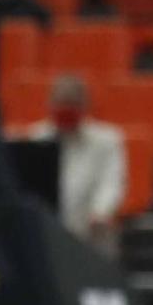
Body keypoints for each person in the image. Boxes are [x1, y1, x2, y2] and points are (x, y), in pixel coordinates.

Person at [26, 74, 126, 258]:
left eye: (72, 105)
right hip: (47, 231)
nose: (66, 110)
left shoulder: (107, 140)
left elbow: (111, 182)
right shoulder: (35, 138)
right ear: (50, 105)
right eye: (61, 104)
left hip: (91, 231)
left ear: (85, 106)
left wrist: (100, 212)